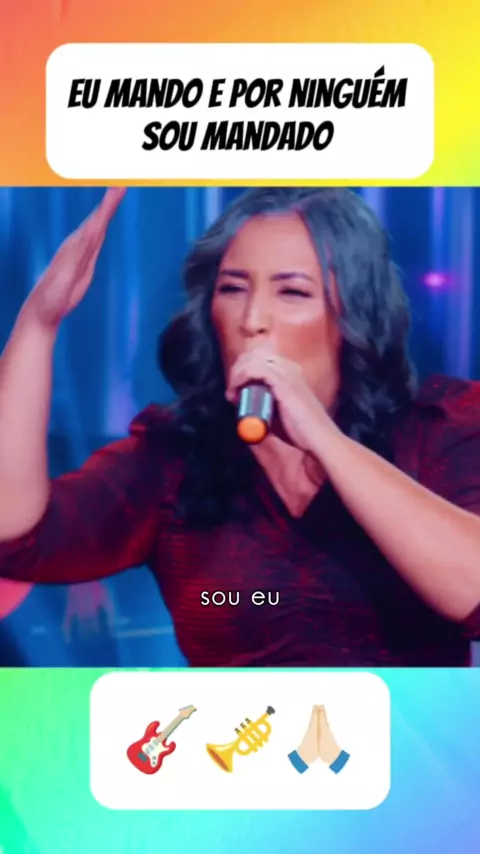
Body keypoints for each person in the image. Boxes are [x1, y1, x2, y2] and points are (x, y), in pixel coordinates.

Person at [0, 186, 479, 668]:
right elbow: (17, 538)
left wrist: (323, 439)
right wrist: (39, 323)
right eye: (232, 289)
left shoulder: (439, 429)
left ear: (353, 313)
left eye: (292, 292)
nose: (252, 320)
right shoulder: (176, 458)